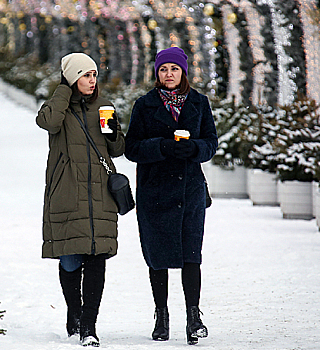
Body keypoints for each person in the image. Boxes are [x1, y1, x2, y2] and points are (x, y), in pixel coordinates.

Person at [124, 47, 218, 345]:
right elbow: (132, 148)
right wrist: (161, 147)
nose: (169, 74)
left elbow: (211, 142)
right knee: (158, 257)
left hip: (189, 192)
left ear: (183, 72)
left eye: (174, 69)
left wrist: (195, 149)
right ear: (157, 73)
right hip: (155, 193)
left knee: (192, 255)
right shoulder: (145, 105)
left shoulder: (199, 103)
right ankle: (161, 315)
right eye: (163, 69)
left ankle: (194, 317)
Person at [36, 53, 125, 347]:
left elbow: (117, 149)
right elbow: (47, 122)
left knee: (97, 257)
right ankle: (74, 312)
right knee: (71, 259)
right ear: (73, 78)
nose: (92, 81)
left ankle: (89, 326)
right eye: (85, 75)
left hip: (100, 192)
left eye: (94, 75)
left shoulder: (104, 106)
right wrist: (63, 90)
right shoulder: (59, 107)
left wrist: (111, 131)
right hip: (68, 191)